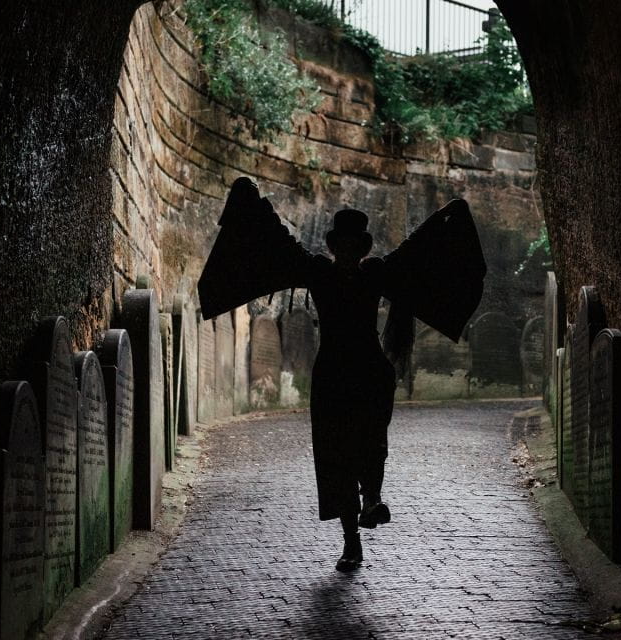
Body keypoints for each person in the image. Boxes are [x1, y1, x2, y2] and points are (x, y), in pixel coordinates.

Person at [198, 177, 486, 571]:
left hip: (364, 373)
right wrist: (252, 200)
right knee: (336, 458)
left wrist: (448, 215)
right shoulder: (322, 271)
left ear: (362, 248)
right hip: (337, 376)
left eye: (356, 246)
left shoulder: (372, 272)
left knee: (370, 443)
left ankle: (372, 500)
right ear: (335, 247)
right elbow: (279, 242)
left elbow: (414, 252)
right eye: (343, 246)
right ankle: (353, 541)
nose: (349, 252)